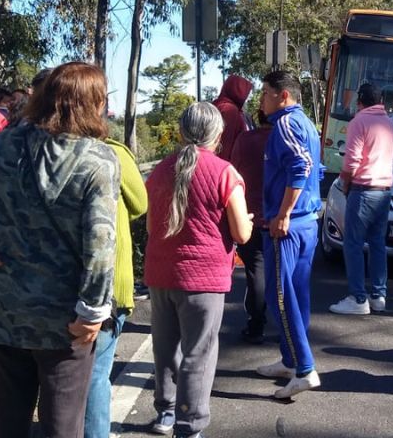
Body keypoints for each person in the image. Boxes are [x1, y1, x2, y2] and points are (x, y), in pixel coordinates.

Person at [0, 62, 120, 438]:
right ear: (91, 103)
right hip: (64, 321)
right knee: (62, 427)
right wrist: (93, 311)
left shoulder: (1, 145)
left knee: (7, 425)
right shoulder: (97, 158)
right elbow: (100, 243)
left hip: (2, 312)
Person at [144, 102, 251, 437]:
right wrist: (245, 221)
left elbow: (150, 226)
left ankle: (166, 412)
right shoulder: (224, 173)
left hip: (161, 273)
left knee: (165, 347)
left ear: (180, 132)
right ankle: (190, 424)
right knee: (199, 353)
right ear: (218, 134)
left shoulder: (161, 169)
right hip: (203, 278)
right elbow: (241, 234)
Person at [255, 71, 325, 399]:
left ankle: (305, 369)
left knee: (279, 297)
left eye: (266, 92)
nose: (261, 99)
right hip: (306, 221)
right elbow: (317, 168)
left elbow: (301, 166)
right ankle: (290, 360)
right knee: (297, 293)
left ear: (283, 95)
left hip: (289, 225)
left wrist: (282, 214)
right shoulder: (306, 124)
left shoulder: (284, 124)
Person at [83, 134, 148, 438]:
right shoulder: (112, 152)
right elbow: (139, 202)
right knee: (95, 374)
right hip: (108, 279)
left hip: (50, 286)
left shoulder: (38, 150)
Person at [330, 83, 393, 316]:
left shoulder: (358, 122)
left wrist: (344, 184)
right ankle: (379, 295)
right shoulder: (389, 122)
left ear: (360, 101)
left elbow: (351, 162)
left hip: (363, 188)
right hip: (384, 190)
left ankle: (358, 298)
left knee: (353, 244)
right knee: (378, 243)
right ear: (380, 101)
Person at [230, 109, 272, 344]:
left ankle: (256, 323)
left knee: (256, 270)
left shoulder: (245, 140)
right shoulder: (283, 139)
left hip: (250, 213)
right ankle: (288, 327)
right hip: (278, 215)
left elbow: (232, 170)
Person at [212, 75, 253, 161]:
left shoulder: (215, 106)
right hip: (227, 166)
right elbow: (226, 146)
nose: (246, 97)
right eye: (246, 92)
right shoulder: (229, 111)